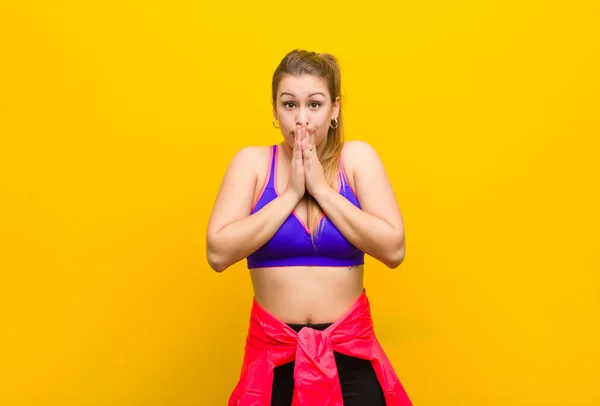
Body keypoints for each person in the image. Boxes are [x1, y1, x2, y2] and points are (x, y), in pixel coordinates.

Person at [206, 49, 412, 406]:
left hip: (350, 355)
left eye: (314, 105)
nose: (301, 119)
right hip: (274, 358)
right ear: (274, 110)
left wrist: (320, 189)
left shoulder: (358, 159)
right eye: (289, 105)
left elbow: (393, 250)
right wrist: (290, 194)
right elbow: (217, 253)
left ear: (334, 109)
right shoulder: (252, 163)